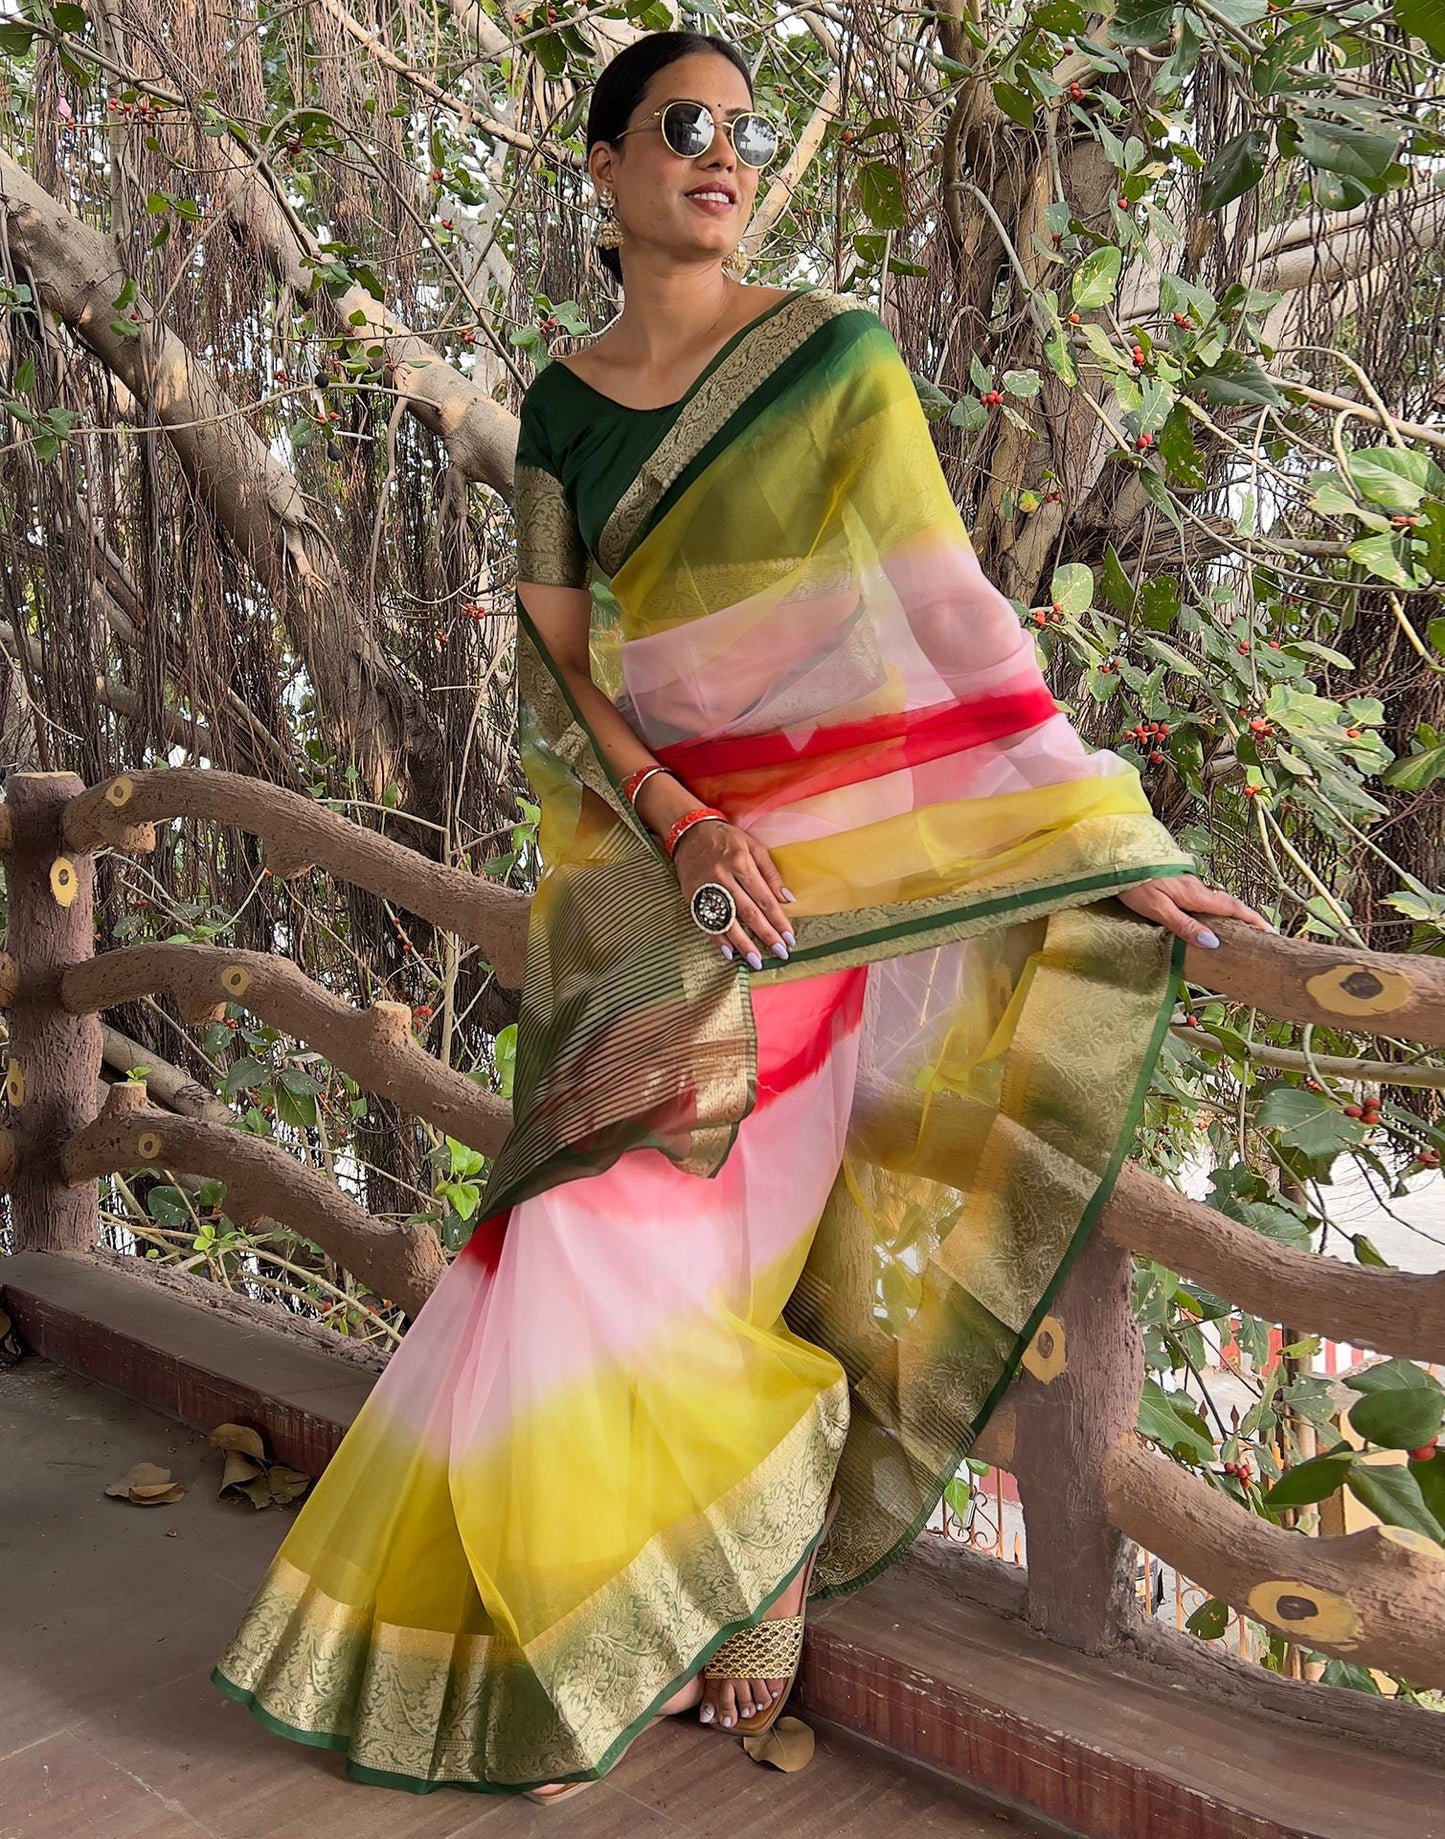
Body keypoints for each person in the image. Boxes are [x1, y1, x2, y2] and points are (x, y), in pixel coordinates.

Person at [211, 28, 1274, 1803]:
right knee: (561, 1229)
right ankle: (632, 1600)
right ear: (609, 169)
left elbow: (952, 620)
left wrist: (1104, 833)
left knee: (622, 1239)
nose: (717, 157)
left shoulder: (835, 362)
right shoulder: (557, 403)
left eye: (737, 134)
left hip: (816, 887)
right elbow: (560, 650)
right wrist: (681, 820)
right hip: (645, 874)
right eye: (678, 130)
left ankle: (761, 1503)